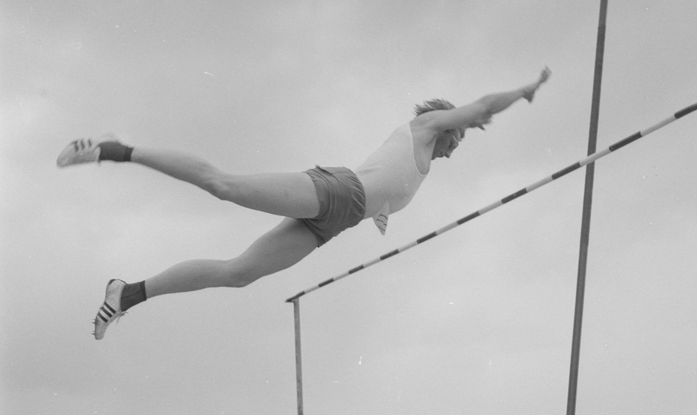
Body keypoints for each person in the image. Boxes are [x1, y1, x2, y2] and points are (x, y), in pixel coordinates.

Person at [56, 68, 551, 339]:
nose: (460, 141)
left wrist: (379, 212)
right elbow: (482, 107)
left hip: (333, 222)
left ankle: (129, 293)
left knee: (238, 273)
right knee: (222, 186)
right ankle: (115, 148)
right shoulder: (425, 128)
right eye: (459, 132)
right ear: (444, 122)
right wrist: (522, 93)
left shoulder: (415, 162)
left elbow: (384, 180)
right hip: (336, 192)